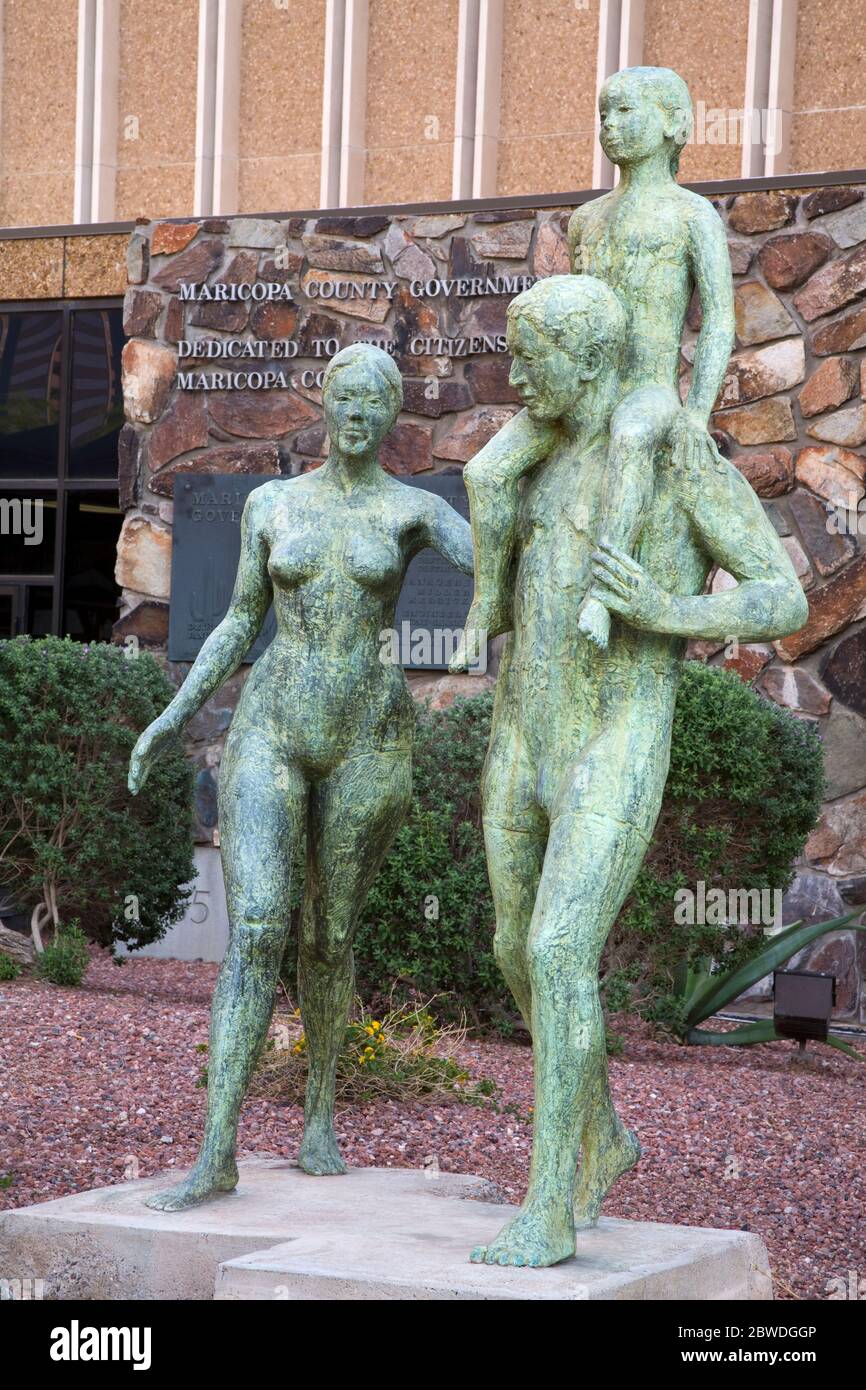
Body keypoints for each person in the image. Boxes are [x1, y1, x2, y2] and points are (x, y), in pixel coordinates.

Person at [469, 274, 806, 1268]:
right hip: (520, 730)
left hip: (614, 731)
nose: (514, 373)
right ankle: (601, 1132)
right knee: (508, 949)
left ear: (587, 359)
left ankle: (548, 1207)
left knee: (560, 950)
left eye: (531, 357)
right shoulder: (532, 458)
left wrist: (664, 609)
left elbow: (778, 595)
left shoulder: (669, 457)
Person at [128, 344, 473, 1211]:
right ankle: (218, 1150)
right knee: (253, 927)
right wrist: (172, 717)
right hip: (271, 730)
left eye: (375, 403)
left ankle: (320, 1114)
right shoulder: (273, 504)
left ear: (393, 417)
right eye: (345, 398)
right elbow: (241, 617)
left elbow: (494, 556)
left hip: (368, 738)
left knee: (327, 935)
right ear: (324, 404)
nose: (357, 415)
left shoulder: (413, 510)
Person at [449, 64, 734, 671]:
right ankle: (489, 601)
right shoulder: (586, 219)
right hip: (581, 391)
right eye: (604, 112)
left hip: (646, 388)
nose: (610, 124)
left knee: (631, 437)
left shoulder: (692, 216)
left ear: (673, 122)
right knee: (485, 472)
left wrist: (696, 415)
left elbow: (718, 324)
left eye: (626, 111)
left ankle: (605, 593)